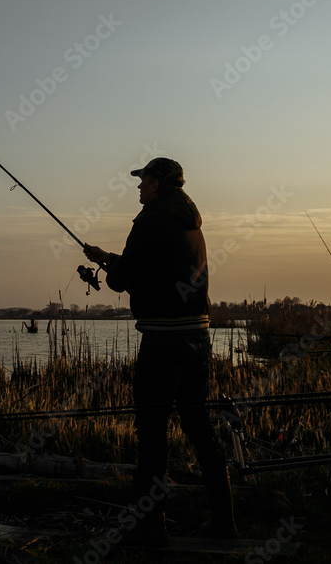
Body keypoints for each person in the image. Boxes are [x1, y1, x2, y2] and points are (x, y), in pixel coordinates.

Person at [83, 156, 236, 545]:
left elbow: (122, 279)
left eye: (143, 180)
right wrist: (107, 257)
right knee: (200, 429)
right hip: (196, 338)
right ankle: (224, 522)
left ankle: (150, 527)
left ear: (157, 184)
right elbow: (151, 269)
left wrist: (109, 265)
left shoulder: (150, 220)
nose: (138, 186)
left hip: (163, 341)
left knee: (152, 434)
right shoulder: (189, 222)